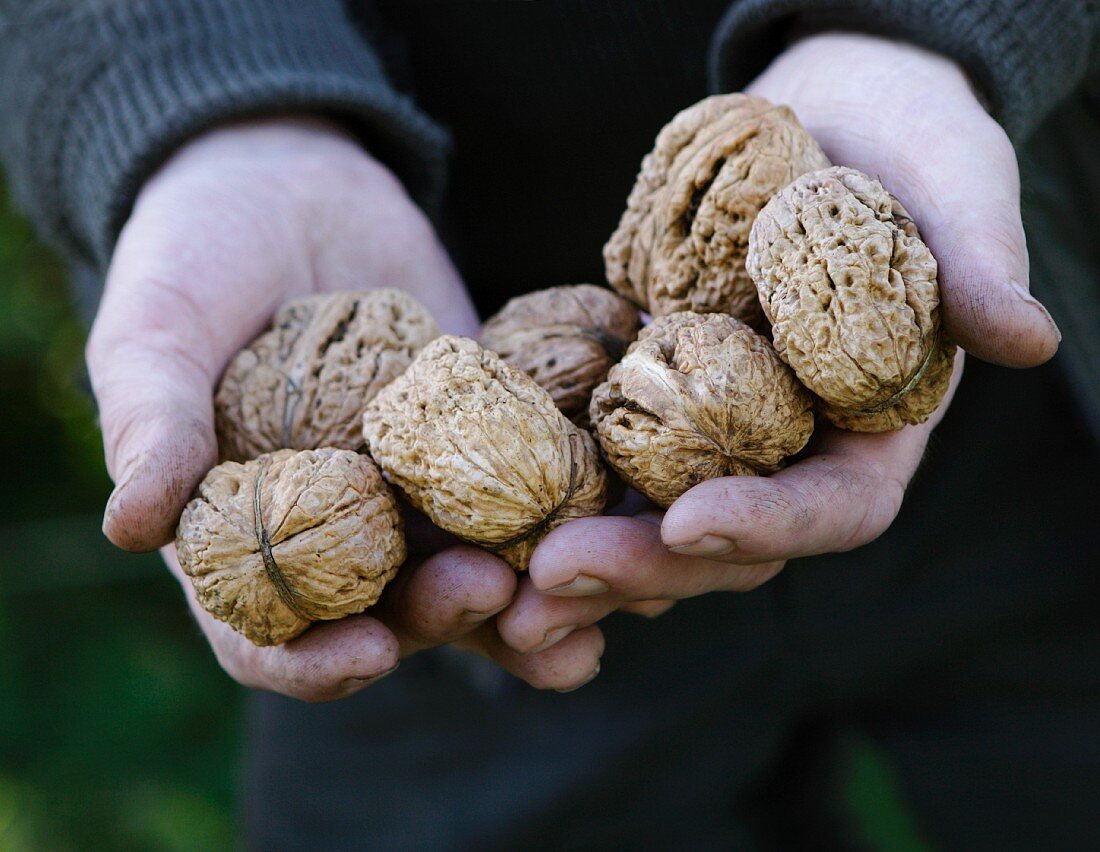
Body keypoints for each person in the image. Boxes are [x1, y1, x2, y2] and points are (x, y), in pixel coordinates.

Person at [2, 1, 1097, 848]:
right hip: (441, 561)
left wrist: (911, 27)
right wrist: (198, 104)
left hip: (1023, 450)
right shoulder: (367, 474)